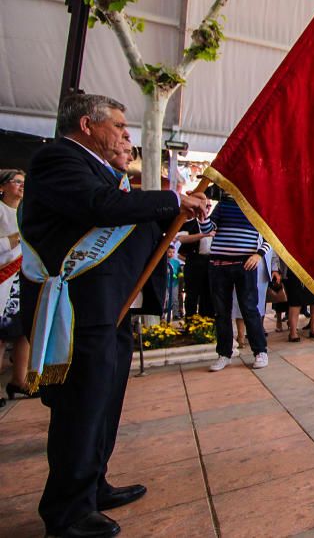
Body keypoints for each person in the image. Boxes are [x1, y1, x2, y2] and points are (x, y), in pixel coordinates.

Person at [20, 94, 209, 538]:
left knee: (103, 407)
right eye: (120, 126)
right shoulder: (58, 160)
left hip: (109, 308)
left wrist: (178, 222)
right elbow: (99, 209)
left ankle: (93, 486)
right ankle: (66, 512)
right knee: (80, 410)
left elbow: (126, 224)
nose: (126, 134)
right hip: (83, 309)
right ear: (88, 124)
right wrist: (171, 199)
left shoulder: (99, 172)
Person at [200, 192, 271, 371]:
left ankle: (260, 351)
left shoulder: (257, 206)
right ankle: (224, 354)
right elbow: (207, 229)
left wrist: (259, 254)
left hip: (245, 265)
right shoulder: (222, 206)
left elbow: (271, 235)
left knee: (249, 309)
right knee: (221, 312)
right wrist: (203, 215)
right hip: (218, 264)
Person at [0, 169, 32, 402]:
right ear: (3, 186)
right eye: (17, 182)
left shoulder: (27, 212)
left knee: (23, 333)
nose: (22, 186)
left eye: (24, 183)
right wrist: (18, 237)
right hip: (4, 279)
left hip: (23, 280)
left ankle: (19, 380)